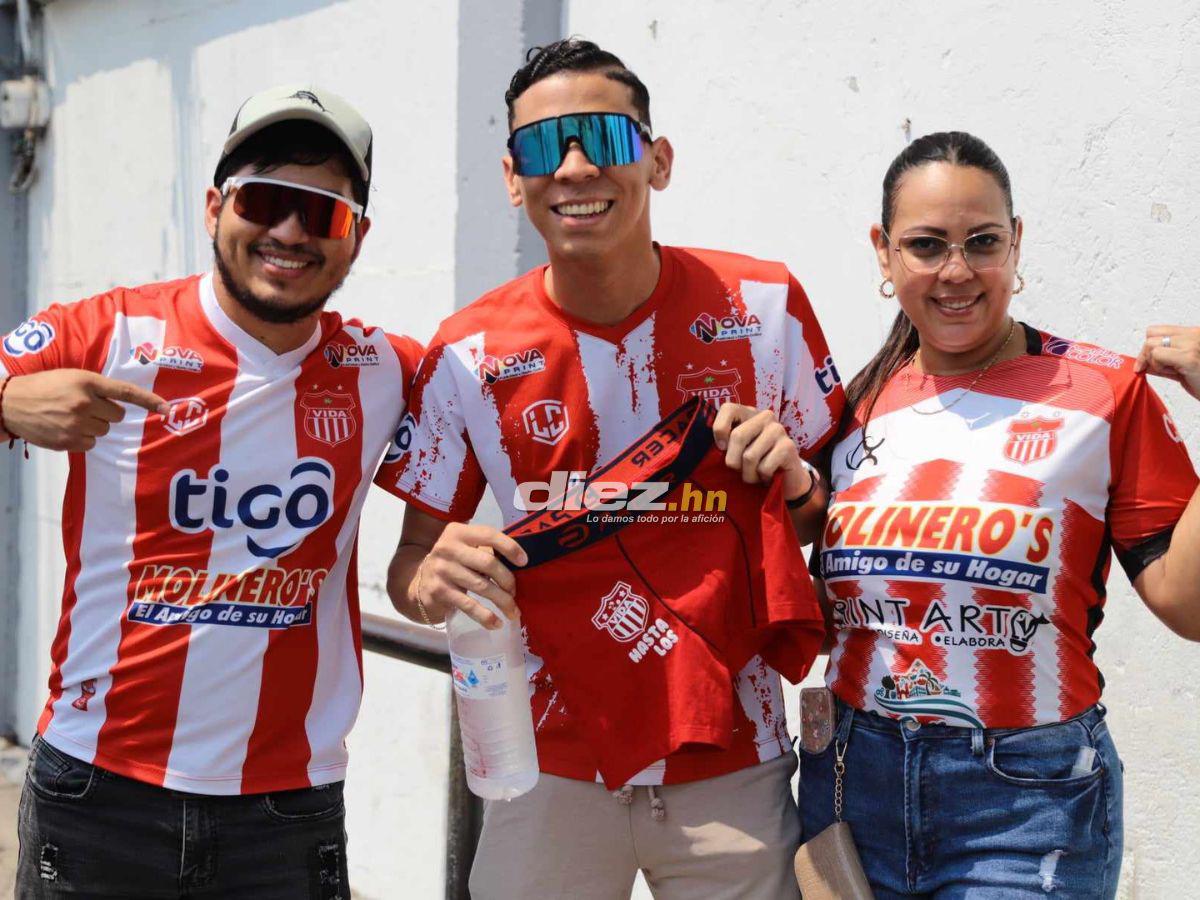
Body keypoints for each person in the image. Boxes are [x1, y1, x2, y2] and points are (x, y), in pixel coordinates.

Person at [375, 39, 844, 899]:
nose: (579, 167)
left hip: (733, 764)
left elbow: (832, 525)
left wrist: (800, 484)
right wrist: (429, 579)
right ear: (514, 179)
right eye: (547, 148)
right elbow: (410, 570)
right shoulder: (463, 352)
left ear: (657, 161)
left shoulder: (765, 306)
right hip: (545, 767)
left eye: (606, 138)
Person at [1, 85, 423, 898]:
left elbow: (525, 417)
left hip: (284, 810)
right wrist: (5, 403)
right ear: (213, 208)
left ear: (358, 238)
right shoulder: (114, 332)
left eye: (323, 213)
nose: (291, 231)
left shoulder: (388, 371)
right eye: (266, 198)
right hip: (99, 791)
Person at [800, 130, 1199, 898]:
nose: (956, 271)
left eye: (982, 241)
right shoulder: (850, 409)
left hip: (1027, 802)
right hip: (852, 786)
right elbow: (821, 617)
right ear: (884, 254)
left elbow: (1189, 605)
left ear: (1016, 243)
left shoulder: (1101, 393)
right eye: (926, 245)